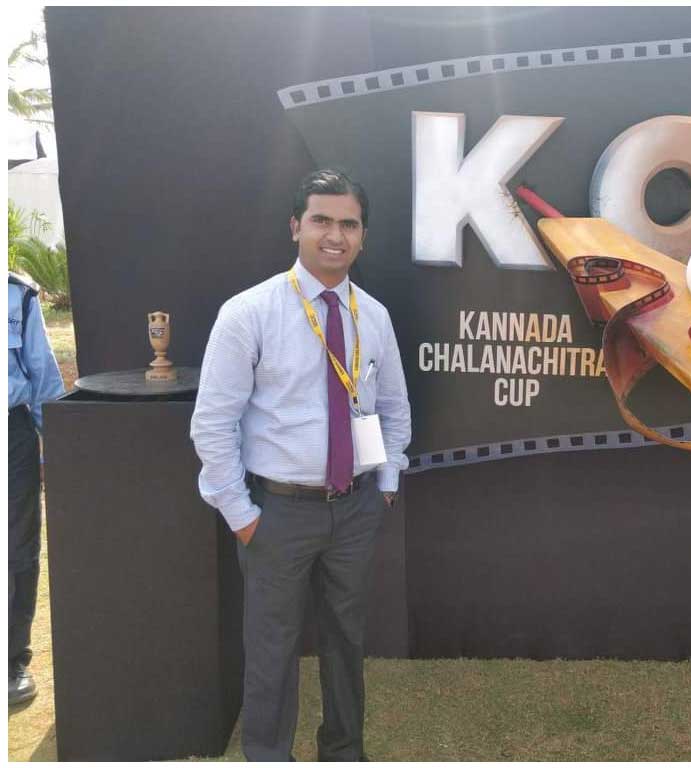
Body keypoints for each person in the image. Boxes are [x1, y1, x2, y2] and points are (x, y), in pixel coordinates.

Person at [190, 168, 411, 761]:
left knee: (346, 643)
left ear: (363, 236)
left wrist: (385, 483)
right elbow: (212, 424)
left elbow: (393, 408)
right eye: (321, 220)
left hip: (356, 508)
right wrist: (242, 516)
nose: (335, 235)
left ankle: (343, 752)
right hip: (277, 513)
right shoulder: (249, 313)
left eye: (349, 224)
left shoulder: (374, 316)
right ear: (295, 227)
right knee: (271, 653)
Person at [8, 272, 65, 706]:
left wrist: (62, 451)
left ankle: (11, 660)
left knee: (17, 549)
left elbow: (43, 376)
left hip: (11, 435)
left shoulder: (16, 294)